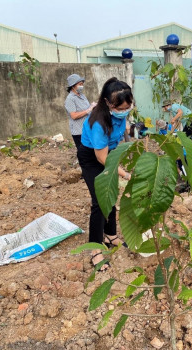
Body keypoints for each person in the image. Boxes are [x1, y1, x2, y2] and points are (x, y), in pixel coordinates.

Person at [77, 77, 132, 270]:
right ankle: (95, 249)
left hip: (109, 153)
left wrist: (129, 147)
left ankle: (110, 235)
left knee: (112, 194)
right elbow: (102, 159)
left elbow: (123, 134)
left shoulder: (120, 113)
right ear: (108, 103)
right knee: (100, 201)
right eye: (120, 108)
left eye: (127, 107)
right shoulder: (98, 123)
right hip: (92, 158)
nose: (124, 111)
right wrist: (124, 174)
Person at [64, 74, 96, 148]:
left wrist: (92, 106)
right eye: (80, 84)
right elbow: (73, 116)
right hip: (79, 131)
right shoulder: (70, 99)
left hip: (88, 128)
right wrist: (88, 110)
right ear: (73, 86)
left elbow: (88, 108)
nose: (82, 86)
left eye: (82, 84)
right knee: (83, 153)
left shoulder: (82, 96)